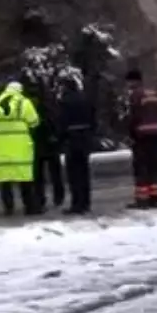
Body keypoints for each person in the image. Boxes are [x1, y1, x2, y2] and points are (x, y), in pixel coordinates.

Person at [0, 80, 40, 216]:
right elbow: (34, 122)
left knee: (5, 181)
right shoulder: (24, 102)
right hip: (20, 149)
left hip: (0, 150)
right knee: (24, 179)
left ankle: (8, 208)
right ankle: (30, 207)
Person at [58, 77, 96, 214]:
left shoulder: (65, 101)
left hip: (71, 140)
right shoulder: (85, 99)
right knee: (84, 172)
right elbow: (93, 119)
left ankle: (77, 204)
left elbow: (62, 122)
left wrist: (60, 139)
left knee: (74, 174)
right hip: (85, 138)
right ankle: (86, 202)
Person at [125, 69, 157, 209]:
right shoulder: (153, 94)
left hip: (141, 136)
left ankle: (142, 200)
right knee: (153, 168)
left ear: (134, 81)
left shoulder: (136, 95)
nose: (128, 85)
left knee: (141, 169)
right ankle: (155, 198)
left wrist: (131, 134)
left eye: (129, 82)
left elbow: (134, 117)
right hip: (155, 135)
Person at [30, 84, 65, 213]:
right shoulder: (51, 106)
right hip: (50, 144)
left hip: (40, 145)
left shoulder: (34, 108)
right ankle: (57, 197)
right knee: (54, 173)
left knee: (39, 176)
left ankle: (41, 198)